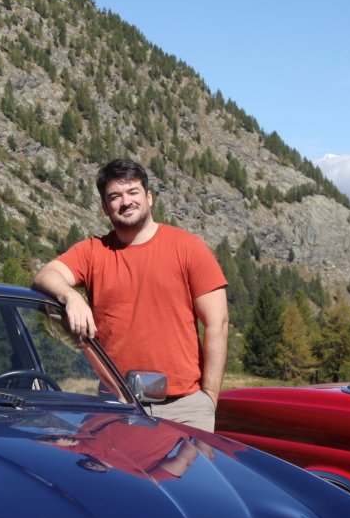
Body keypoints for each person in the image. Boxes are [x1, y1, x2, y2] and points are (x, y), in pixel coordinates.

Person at [32, 158, 228, 431]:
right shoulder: (93, 252)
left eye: (133, 192)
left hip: (184, 408)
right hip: (116, 406)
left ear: (149, 197)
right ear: (105, 207)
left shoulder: (189, 248)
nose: (126, 202)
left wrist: (209, 397)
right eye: (115, 196)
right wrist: (71, 296)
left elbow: (217, 324)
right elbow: (45, 275)